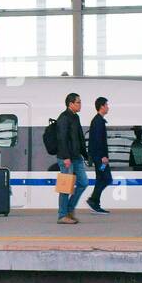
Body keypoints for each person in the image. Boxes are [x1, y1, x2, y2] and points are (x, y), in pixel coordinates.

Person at [55, 93, 89, 224]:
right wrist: (65, 157)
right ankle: (62, 215)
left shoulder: (76, 117)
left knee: (83, 182)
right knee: (65, 187)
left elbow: (80, 138)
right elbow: (61, 139)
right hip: (67, 158)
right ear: (70, 104)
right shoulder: (63, 118)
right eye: (78, 102)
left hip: (77, 157)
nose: (80, 105)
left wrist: (85, 155)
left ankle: (69, 209)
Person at [87, 97, 112, 215]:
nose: (108, 107)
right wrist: (103, 156)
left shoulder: (98, 120)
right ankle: (93, 201)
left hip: (99, 158)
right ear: (101, 106)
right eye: (106, 105)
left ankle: (95, 203)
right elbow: (97, 140)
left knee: (101, 179)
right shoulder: (98, 121)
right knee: (106, 178)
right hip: (100, 158)